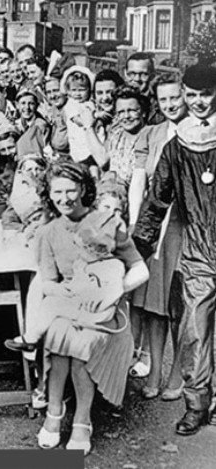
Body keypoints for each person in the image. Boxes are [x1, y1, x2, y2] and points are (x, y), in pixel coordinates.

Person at [28, 162, 148, 454]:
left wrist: (112, 290)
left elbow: (140, 269)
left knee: (79, 344)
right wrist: (72, 293)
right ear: (48, 193)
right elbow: (48, 284)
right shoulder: (47, 233)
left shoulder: (107, 222)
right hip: (68, 305)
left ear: (84, 189)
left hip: (106, 311)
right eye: (58, 191)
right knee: (58, 336)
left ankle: (82, 420)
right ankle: (54, 411)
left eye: (71, 190)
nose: (65, 198)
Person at [133, 64, 216, 436]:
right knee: (195, 329)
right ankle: (197, 405)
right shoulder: (176, 145)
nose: (199, 102)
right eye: (193, 95)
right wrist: (138, 248)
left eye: (207, 95)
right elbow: (156, 201)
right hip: (198, 249)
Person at [128, 74, 187, 397]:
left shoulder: (201, 132)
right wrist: (139, 230)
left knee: (176, 305)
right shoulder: (152, 134)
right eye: (163, 100)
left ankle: (177, 373)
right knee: (151, 304)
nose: (170, 105)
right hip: (153, 227)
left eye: (175, 98)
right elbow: (139, 184)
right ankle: (154, 372)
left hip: (184, 228)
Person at [5, 209, 133, 353]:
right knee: (50, 302)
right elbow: (79, 283)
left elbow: (116, 290)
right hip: (82, 305)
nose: (80, 253)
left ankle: (32, 338)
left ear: (98, 251)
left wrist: (99, 300)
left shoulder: (112, 266)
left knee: (52, 306)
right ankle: (34, 338)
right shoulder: (84, 264)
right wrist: (70, 290)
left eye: (84, 249)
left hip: (99, 313)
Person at [124, 52, 163, 125]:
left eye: (143, 74)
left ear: (152, 76)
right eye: (132, 73)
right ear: (125, 74)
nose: (137, 79)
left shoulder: (159, 105)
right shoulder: (116, 101)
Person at [14, 89, 50, 158]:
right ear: (17, 105)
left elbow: (46, 149)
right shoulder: (14, 125)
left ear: (37, 106)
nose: (27, 107)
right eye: (23, 103)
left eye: (31, 103)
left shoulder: (41, 125)